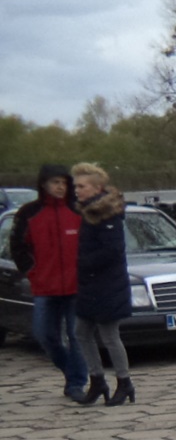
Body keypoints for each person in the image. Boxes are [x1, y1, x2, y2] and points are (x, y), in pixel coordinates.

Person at [6, 164, 88, 398]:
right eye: (55, 182)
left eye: (64, 183)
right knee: (45, 335)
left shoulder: (78, 211)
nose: (60, 187)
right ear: (44, 184)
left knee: (76, 336)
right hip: (44, 288)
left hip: (75, 287)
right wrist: (34, 272)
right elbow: (18, 248)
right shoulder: (28, 213)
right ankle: (69, 370)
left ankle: (76, 384)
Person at [70, 163, 135, 406]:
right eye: (75, 186)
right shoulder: (87, 212)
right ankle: (97, 379)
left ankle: (124, 381)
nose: (76, 190)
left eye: (81, 186)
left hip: (108, 286)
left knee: (109, 335)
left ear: (97, 188)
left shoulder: (108, 213)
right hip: (90, 285)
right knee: (81, 332)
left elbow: (113, 250)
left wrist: (81, 262)